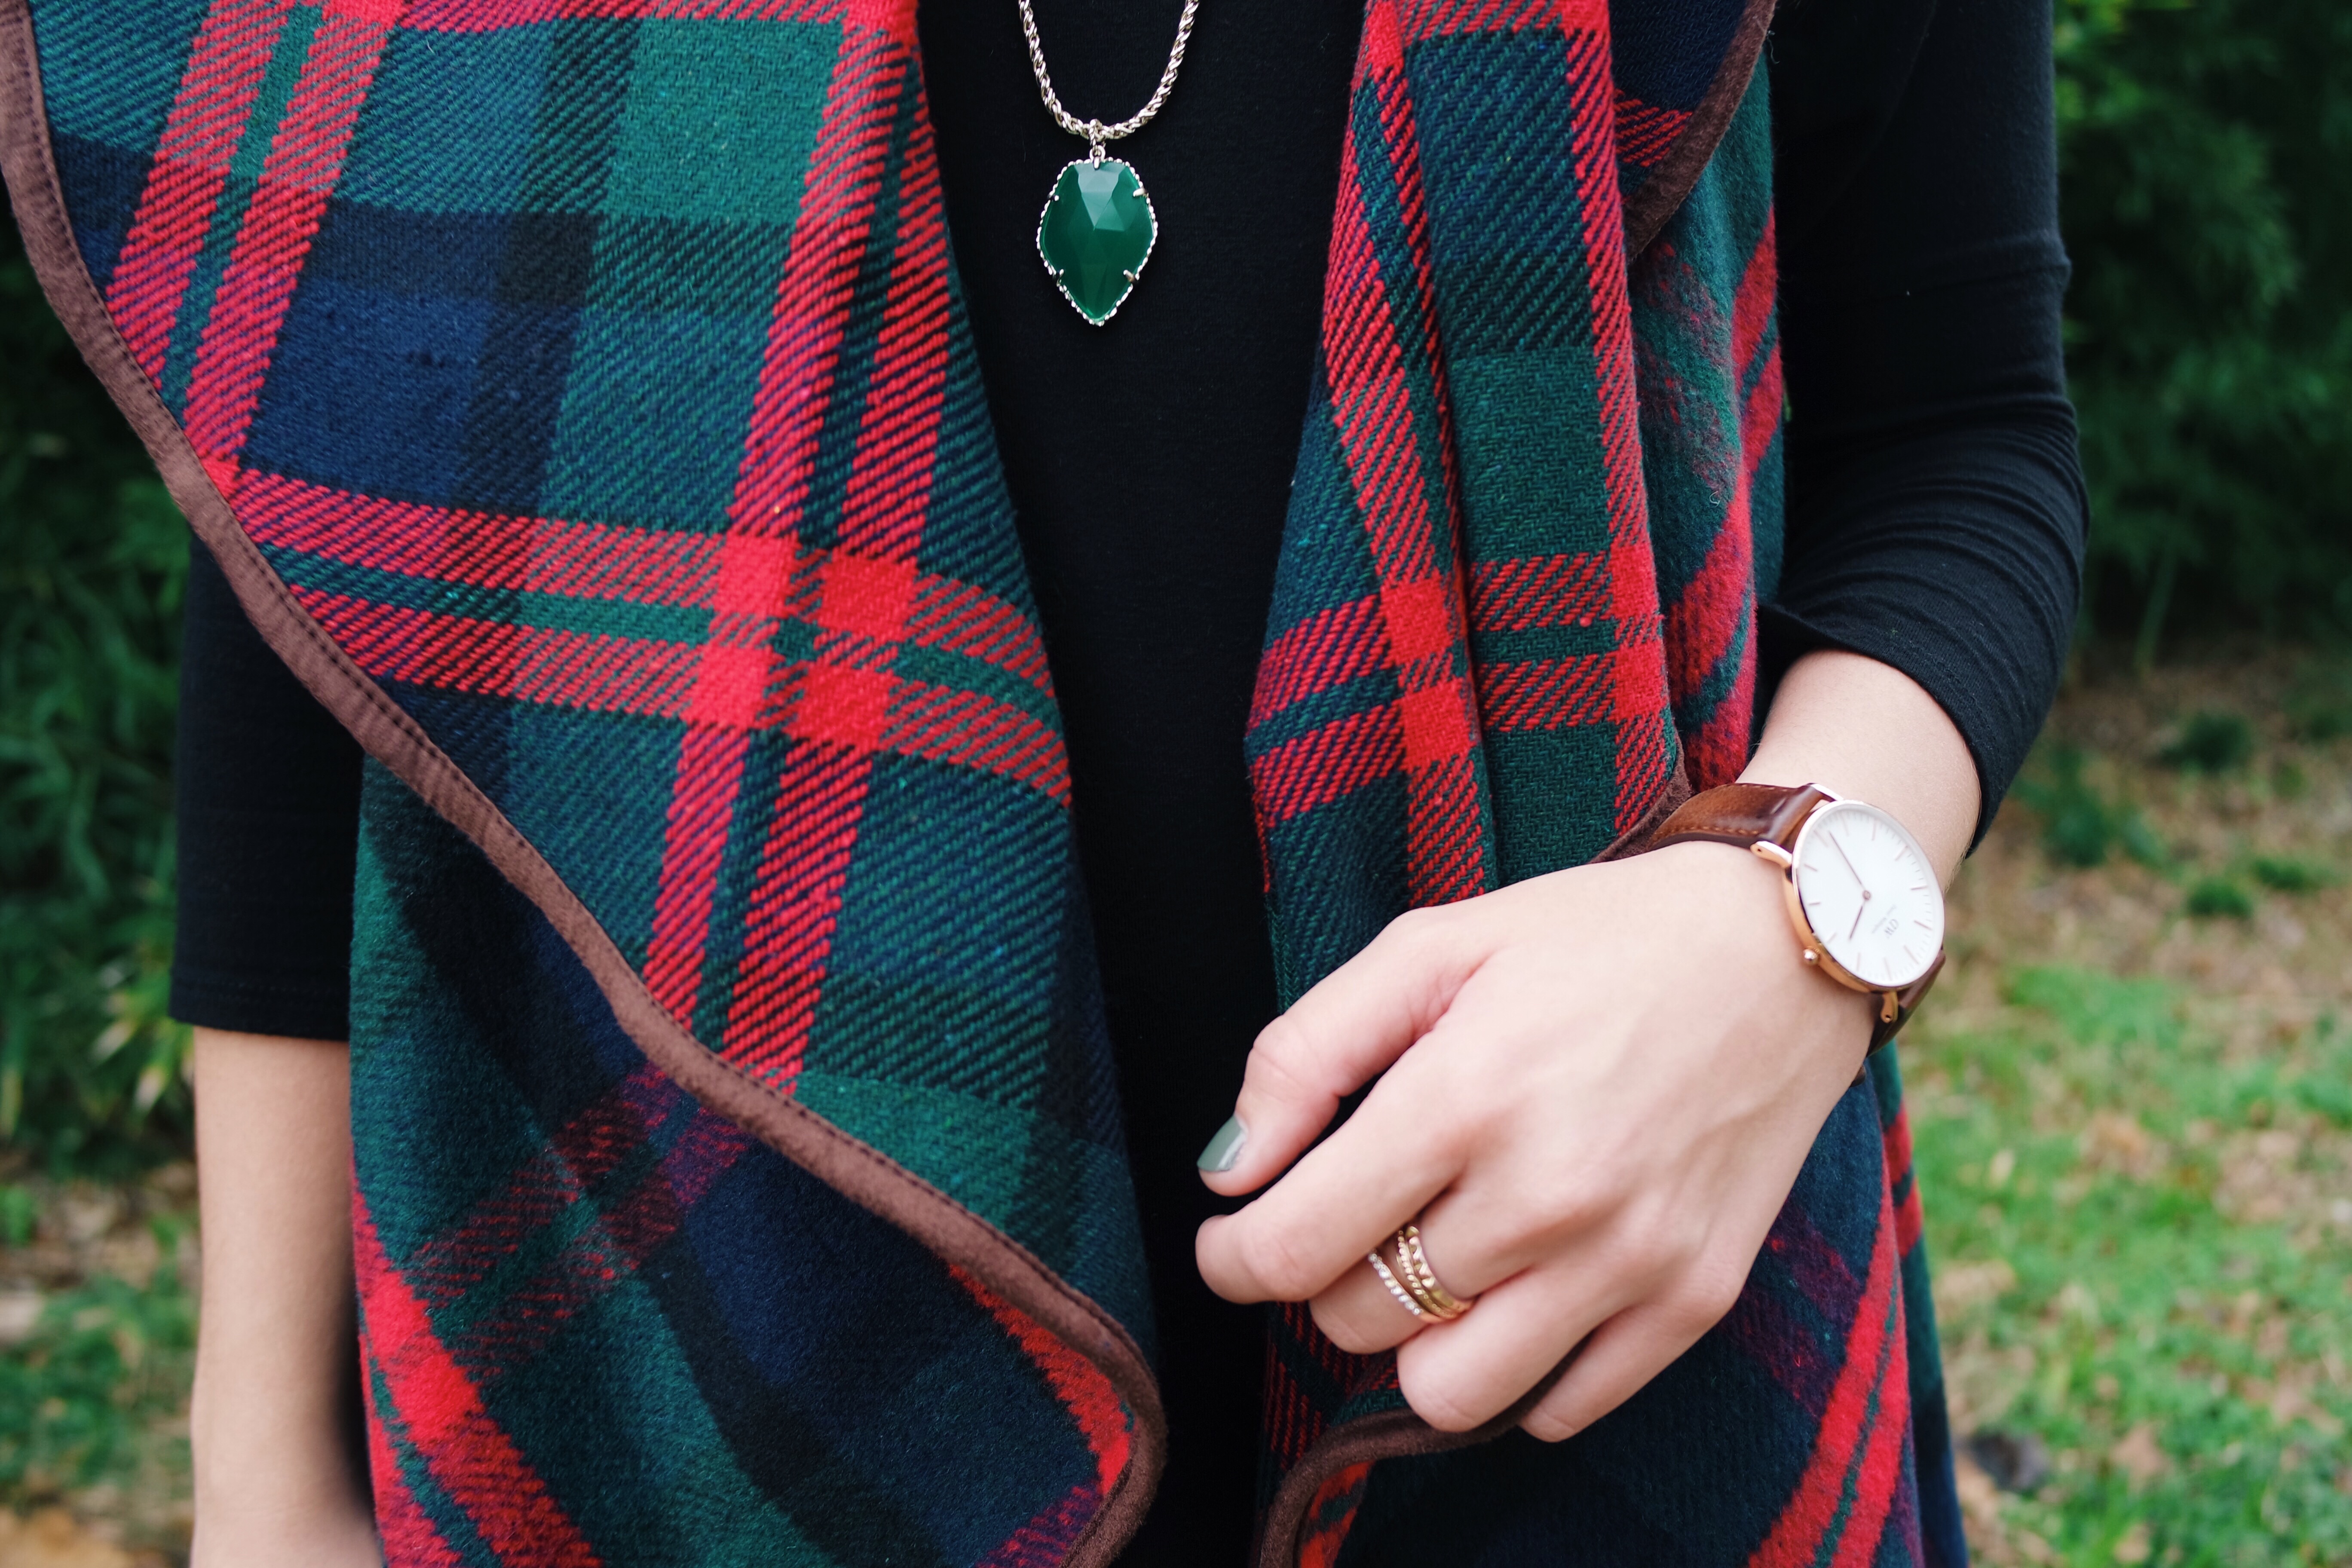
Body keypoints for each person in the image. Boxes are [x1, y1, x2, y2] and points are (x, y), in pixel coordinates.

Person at [6, 0, 2082, 1559]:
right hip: (678, 1324)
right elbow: (321, 530)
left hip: (1575, 1300)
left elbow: (1962, 438)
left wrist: (1789, 926)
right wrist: (261, 1469)